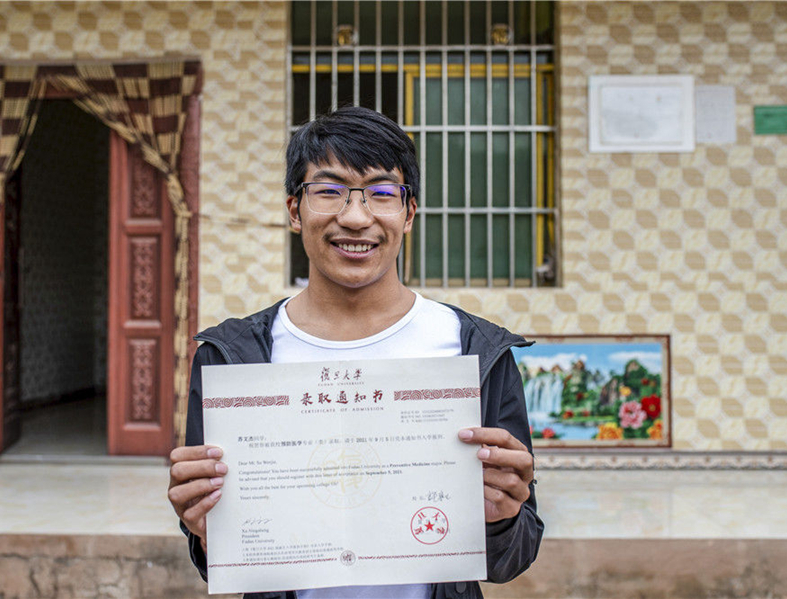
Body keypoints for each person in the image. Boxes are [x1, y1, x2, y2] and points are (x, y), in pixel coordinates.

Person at [168, 106, 543, 599]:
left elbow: (511, 558)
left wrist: (502, 519)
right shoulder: (234, 358)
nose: (355, 217)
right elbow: (221, 556)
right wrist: (204, 530)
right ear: (293, 210)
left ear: (408, 213)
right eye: (328, 191)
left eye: (382, 193)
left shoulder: (475, 351)